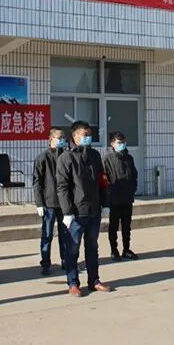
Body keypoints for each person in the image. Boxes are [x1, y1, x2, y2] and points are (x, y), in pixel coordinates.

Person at [56, 121, 112, 297]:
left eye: (89, 134)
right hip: (76, 212)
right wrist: (67, 212)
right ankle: (73, 282)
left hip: (94, 210)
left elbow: (102, 181)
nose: (88, 137)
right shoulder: (66, 158)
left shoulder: (94, 155)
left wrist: (105, 203)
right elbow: (62, 187)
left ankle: (94, 280)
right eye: (84, 135)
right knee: (72, 249)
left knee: (92, 247)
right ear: (74, 136)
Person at [32, 127, 68, 275]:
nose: (62, 140)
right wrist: (39, 203)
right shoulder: (42, 157)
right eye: (59, 138)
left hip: (64, 203)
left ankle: (65, 260)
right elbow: (37, 182)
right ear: (50, 140)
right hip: (49, 203)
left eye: (63, 138)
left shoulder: (67, 156)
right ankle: (45, 263)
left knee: (65, 234)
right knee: (47, 234)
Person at [104, 131, 139, 261]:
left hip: (127, 197)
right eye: (119, 142)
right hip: (114, 198)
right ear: (112, 144)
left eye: (123, 142)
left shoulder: (129, 158)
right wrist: (107, 197)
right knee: (113, 226)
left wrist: (132, 189)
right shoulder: (107, 159)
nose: (122, 144)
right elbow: (104, 179)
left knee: (126, 226)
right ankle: (114, 250)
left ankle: (126, 249)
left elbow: (134, 175)